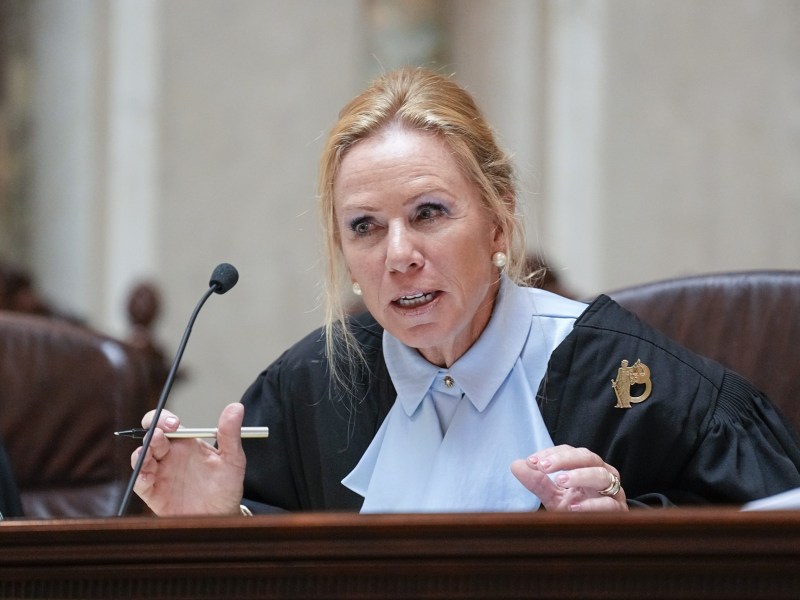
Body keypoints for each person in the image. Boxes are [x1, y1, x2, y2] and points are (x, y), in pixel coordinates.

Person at [131, 67, 800, 516]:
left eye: (429, 213)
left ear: (498, 218)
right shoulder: (310, 385)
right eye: (365, 227)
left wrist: (628, 533)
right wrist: (221, 525)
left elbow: (765, 541)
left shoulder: (623, 375)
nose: (399, 256)